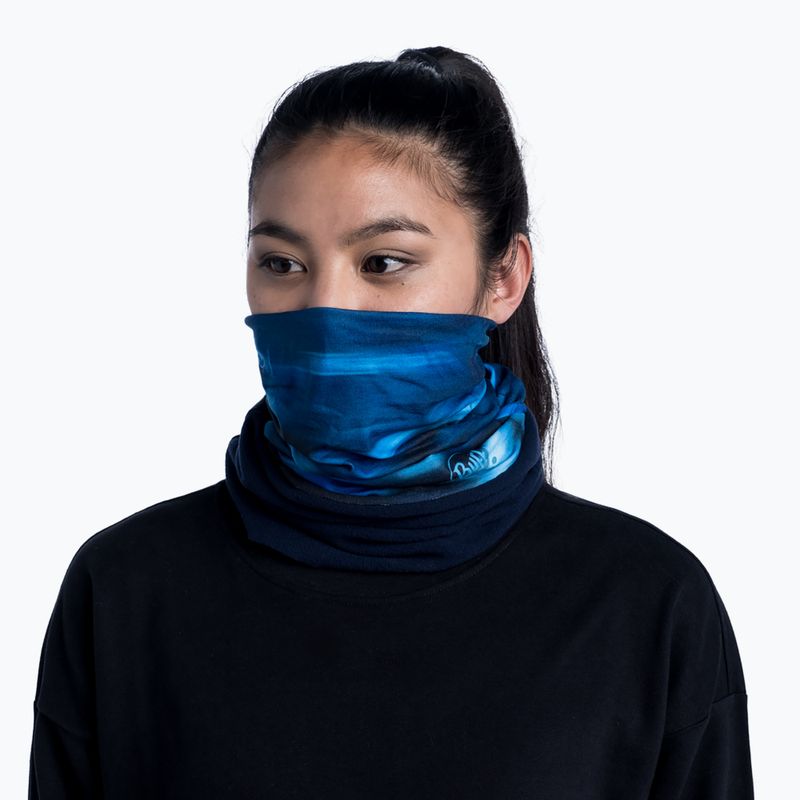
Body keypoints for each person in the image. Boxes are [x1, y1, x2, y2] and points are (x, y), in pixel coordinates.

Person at [28, 46, 754, 798]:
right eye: (281, 263)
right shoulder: (125, 592)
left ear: (503, 278)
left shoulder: (647, 605)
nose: (326, 309)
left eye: (384, 262)